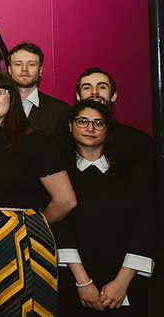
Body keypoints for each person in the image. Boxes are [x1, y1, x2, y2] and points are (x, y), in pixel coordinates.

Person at [0, 71, 77, 317]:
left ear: (13, 98)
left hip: (24, 243)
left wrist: (31, 225)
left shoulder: (34, 139)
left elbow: (66, 200)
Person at [55, 100, 155, 315]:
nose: (90, 128)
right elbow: (59, 229)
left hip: (125, 281)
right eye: (83, 121)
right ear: (70, 125)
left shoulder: (131, 171)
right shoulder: (58, 173)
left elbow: (145, 225)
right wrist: (83, 282)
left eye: (98, 123)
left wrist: (121, 282)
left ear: (108, 129)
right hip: (73, 279)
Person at [74, 67, 156, 185]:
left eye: (102, 87)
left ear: (114, 96)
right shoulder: (64, 143)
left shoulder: (139, 143)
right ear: (78, 96)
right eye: (87, 87)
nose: (94, 92)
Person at [7, 41, 71, 149]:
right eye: (18, 64)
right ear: (9, 70)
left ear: (40, 70)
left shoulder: (60, 111)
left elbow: (61, 155)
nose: (24, 69)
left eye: (31, 64)